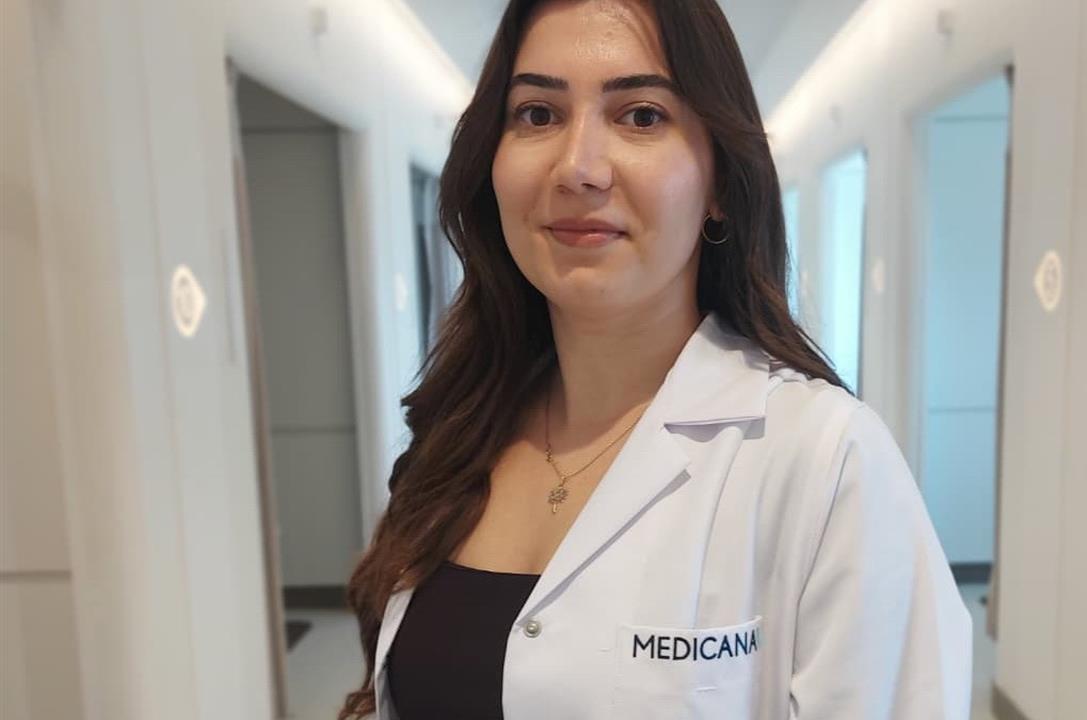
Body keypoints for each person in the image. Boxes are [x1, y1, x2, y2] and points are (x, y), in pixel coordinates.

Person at [339, 0, 971, 718]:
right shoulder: (459, 431)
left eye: (641, 116)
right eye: (538, 114)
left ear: (720, 182)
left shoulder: (826, 459)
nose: (578, 168)